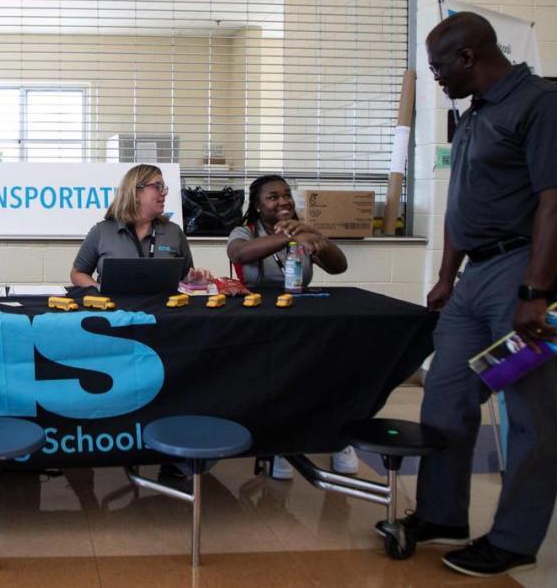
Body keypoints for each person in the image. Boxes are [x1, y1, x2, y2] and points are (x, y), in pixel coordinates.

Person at [403, 11, 557, 577]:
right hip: (476, 278)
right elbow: (461, 202)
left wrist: (537, 291)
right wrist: (448, 275)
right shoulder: (475, 114)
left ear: (468, 58)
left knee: (529, 412)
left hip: (527, 274)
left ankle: (514, 539)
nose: (435, 79)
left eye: (437, 67)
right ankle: (441, 513)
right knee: (445, 396)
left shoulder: (543, 105)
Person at [227, 175, 355, 479]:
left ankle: (336, 439)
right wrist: (289, 237)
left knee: (327, 373)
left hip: (302, 318)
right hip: (258, 320)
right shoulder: (244, 231)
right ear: (257, 206)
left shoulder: (304, 230)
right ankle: (281, 445)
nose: (283, 201)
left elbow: (339, 267)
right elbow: (239, 255)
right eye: (273, 197)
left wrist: (317, 238)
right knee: (278, 381)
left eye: (286, 195)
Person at [71, 164, 211, 287]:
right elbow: (77, 274)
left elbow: (185, 276)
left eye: (164, 188)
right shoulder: (101, 231)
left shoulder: (174, 232)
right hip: (117, 312)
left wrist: (192, 280)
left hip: (163, 313)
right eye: (158, 186)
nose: (164, 193)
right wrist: (99, 290)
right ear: (136, 192)